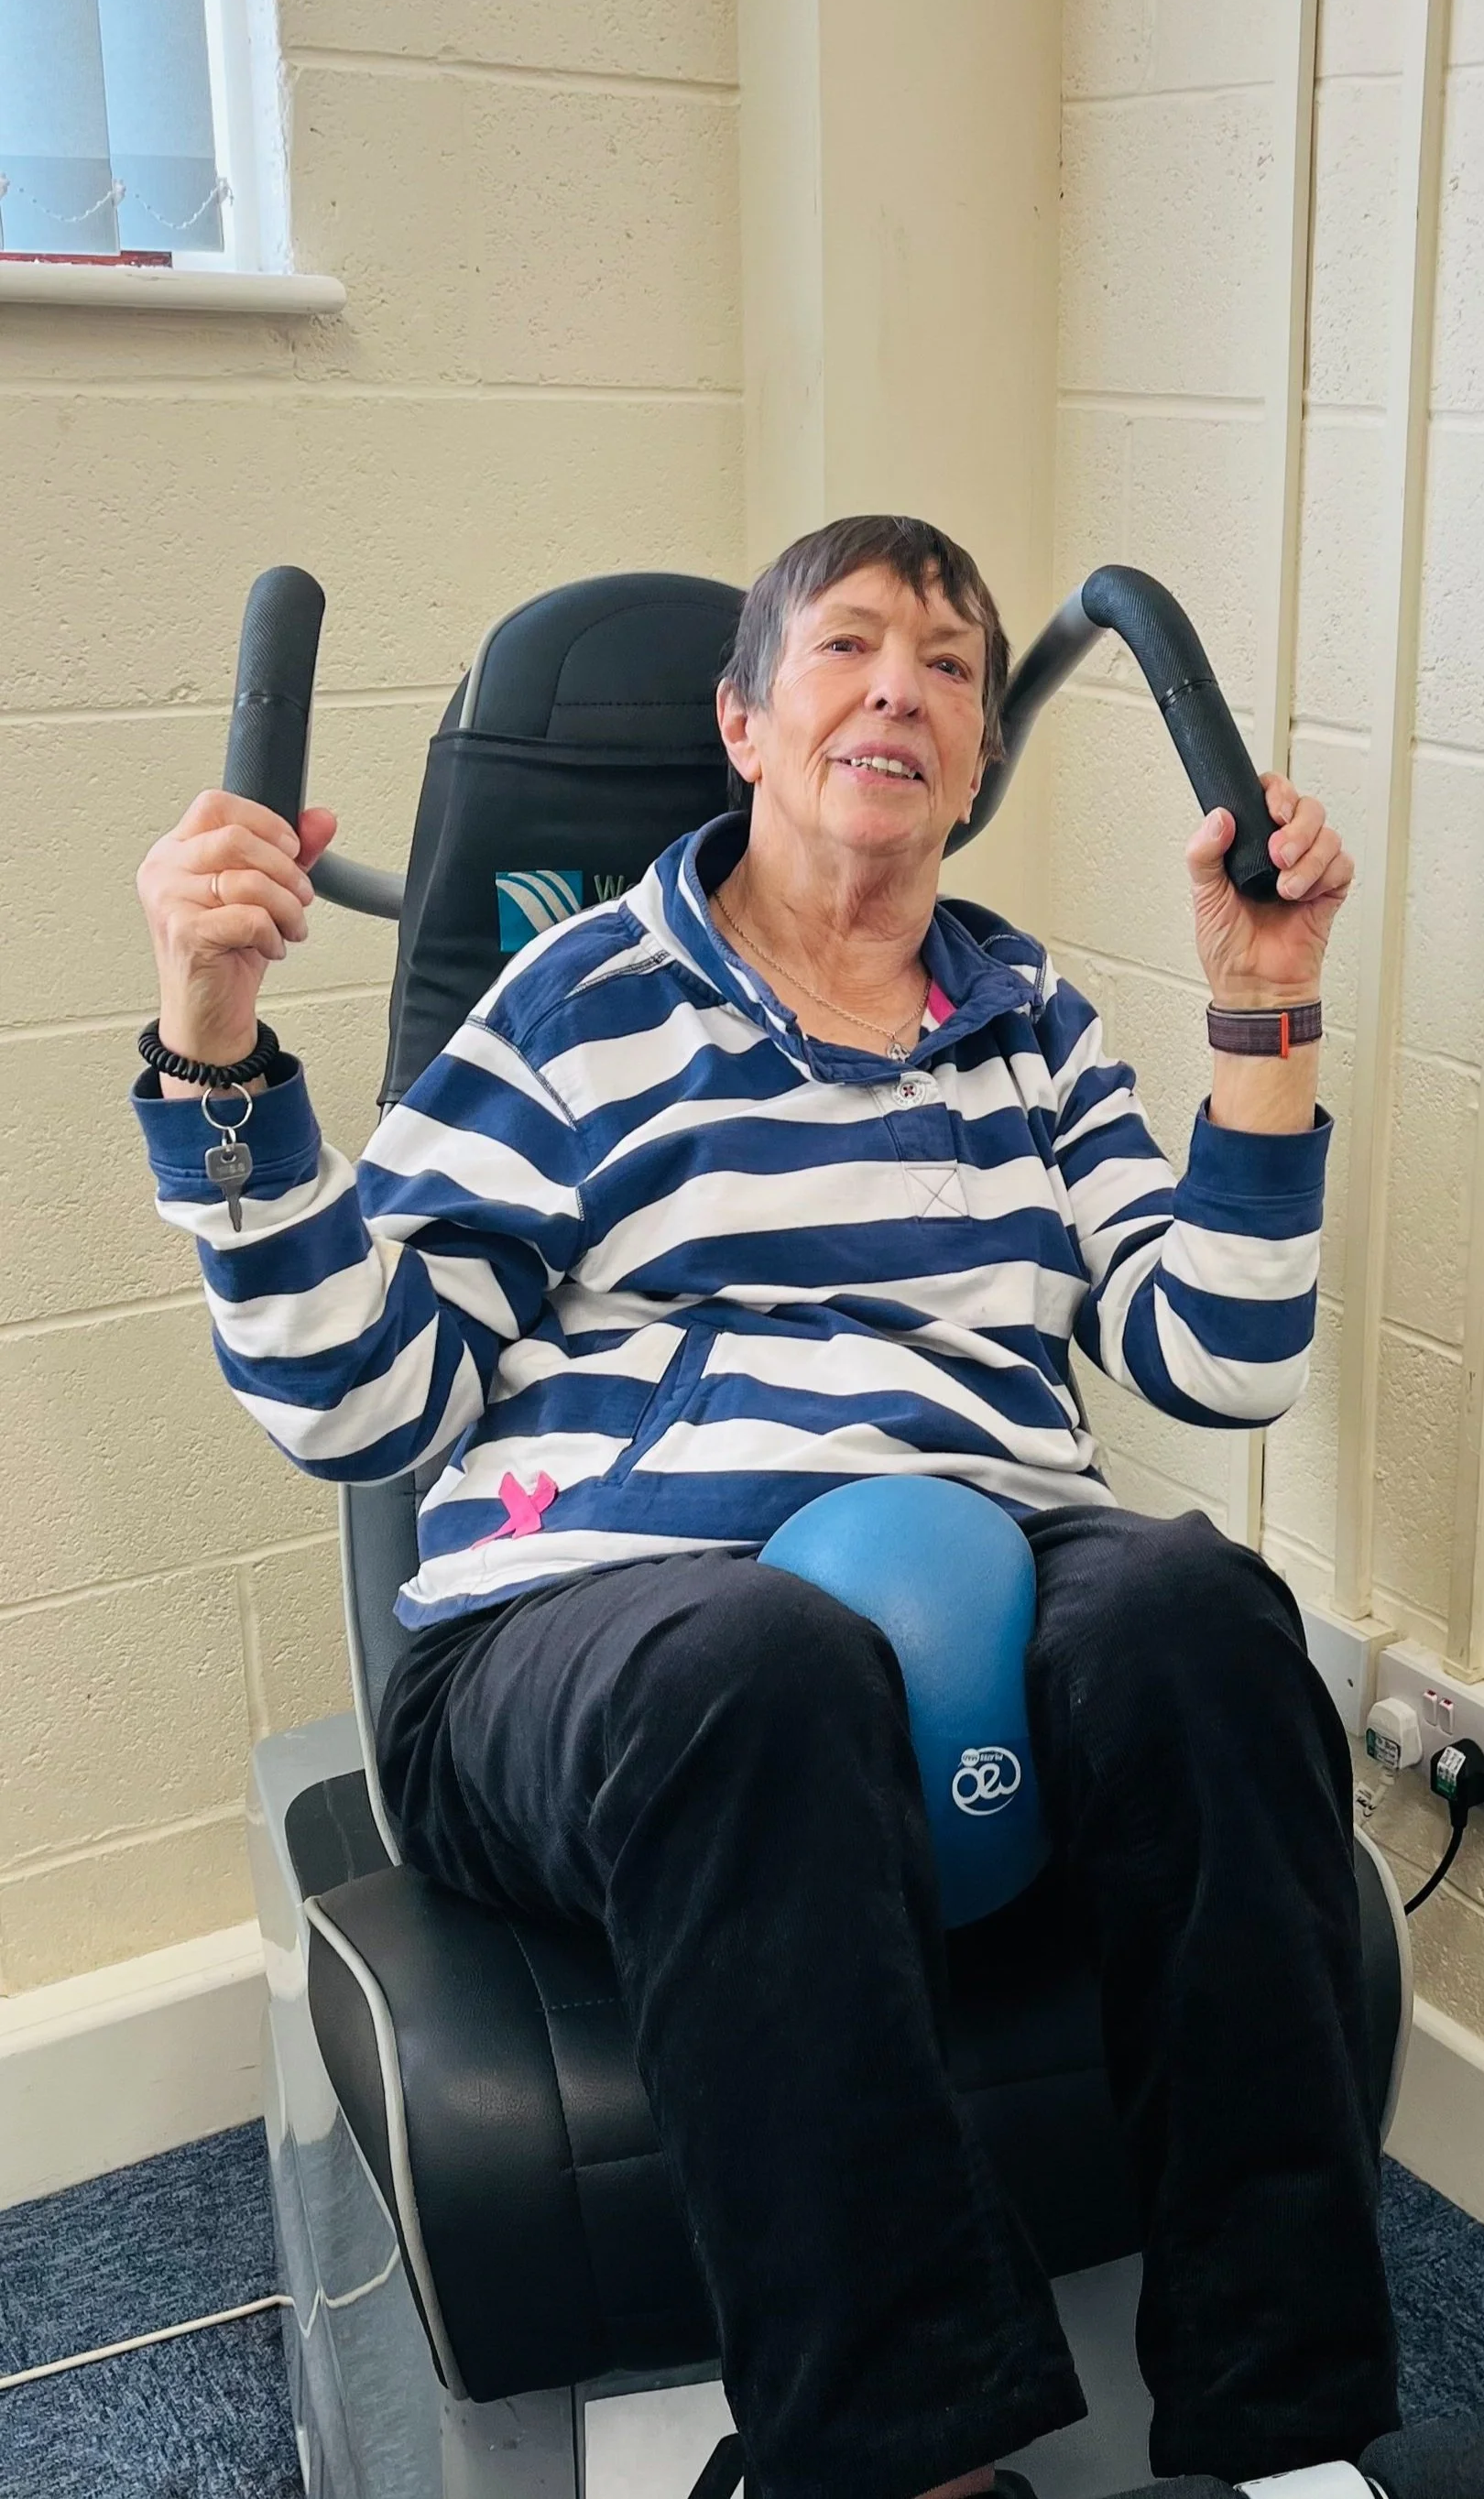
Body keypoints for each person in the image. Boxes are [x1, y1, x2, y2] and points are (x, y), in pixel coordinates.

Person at [134, 515, 1393, 2499]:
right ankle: (897, 2459)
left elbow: (1218, 1357)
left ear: (977, 763)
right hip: (610, 1615)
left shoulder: (1034, 1021)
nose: (905, 682)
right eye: (851, 646)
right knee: (767, 1662)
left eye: (955, 666)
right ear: (741, 720)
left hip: (990, 1554)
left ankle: (1282, 2424)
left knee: (1210, 1617)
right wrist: (215, 1044)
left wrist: (1266, 1002)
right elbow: (358, 1394)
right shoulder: (574, 999)